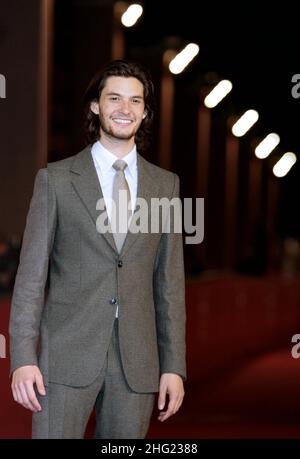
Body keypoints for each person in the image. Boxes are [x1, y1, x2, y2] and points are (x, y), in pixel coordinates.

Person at [9, 59, 186, 439]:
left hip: (136, 365)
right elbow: (30, 279)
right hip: (65, 359)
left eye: (135, 101)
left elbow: (169, 286)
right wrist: (22, 359)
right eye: (115, 98)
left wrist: (174, 366)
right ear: (95, 106)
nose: (125, 110)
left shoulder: (165, 186)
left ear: (145, 111)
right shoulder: (55, 180)